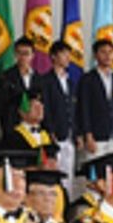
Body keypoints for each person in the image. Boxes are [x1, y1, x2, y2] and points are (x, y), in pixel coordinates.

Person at [76, 38, 113, 164]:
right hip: (96, 137)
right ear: (96, 55)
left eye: (110, 52)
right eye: (103, 52)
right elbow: (84, 109)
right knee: (96, 176)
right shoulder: (87, 79)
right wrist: (88, 135)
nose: (107, 56)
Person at [40, 40, 80, 185]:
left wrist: (77, 132)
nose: (68, 58)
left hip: (70, 135)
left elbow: (74, 109)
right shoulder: (45, 81)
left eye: (69, 54)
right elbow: (46, 108)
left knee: (68, 176)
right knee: (55, 174)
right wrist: (50, 130)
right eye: (64, 54)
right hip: (55, 135)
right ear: (53, 57)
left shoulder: (70, 82)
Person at [0, 37, 39, 138]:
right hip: (14, 131)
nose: (22, 57)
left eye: (26, 53)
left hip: (35, 132)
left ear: (32, 55)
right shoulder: (6, 77)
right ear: (15, 54)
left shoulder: (39, 78)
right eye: (19, 53)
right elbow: (0, 105)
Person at [0, 87, 55, 155]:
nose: (40, 110)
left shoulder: (47, 135)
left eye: (41, 107)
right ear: (22, 112)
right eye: (35, 107)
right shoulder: (14, 137)